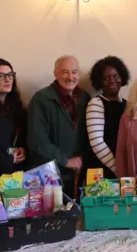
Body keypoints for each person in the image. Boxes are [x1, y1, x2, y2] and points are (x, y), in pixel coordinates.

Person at [27, 55, 90, 199]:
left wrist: (82, 158)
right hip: (49, 177)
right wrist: (66, 161)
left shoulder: (85, 98)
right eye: (65, 72)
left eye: (74, 72)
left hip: (78, 174)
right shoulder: (41, 99)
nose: (70, 77)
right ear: (55, 74)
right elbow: (37, 140)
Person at [83, 56, 131, 180]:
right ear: (99, 81)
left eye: (116, 76)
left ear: (122, 77)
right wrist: (118, 169)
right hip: (101, 171)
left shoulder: (127, 104)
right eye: (106, 78)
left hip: (122, 171)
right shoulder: (96, 103)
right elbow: (97, 143)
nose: (112, 81)